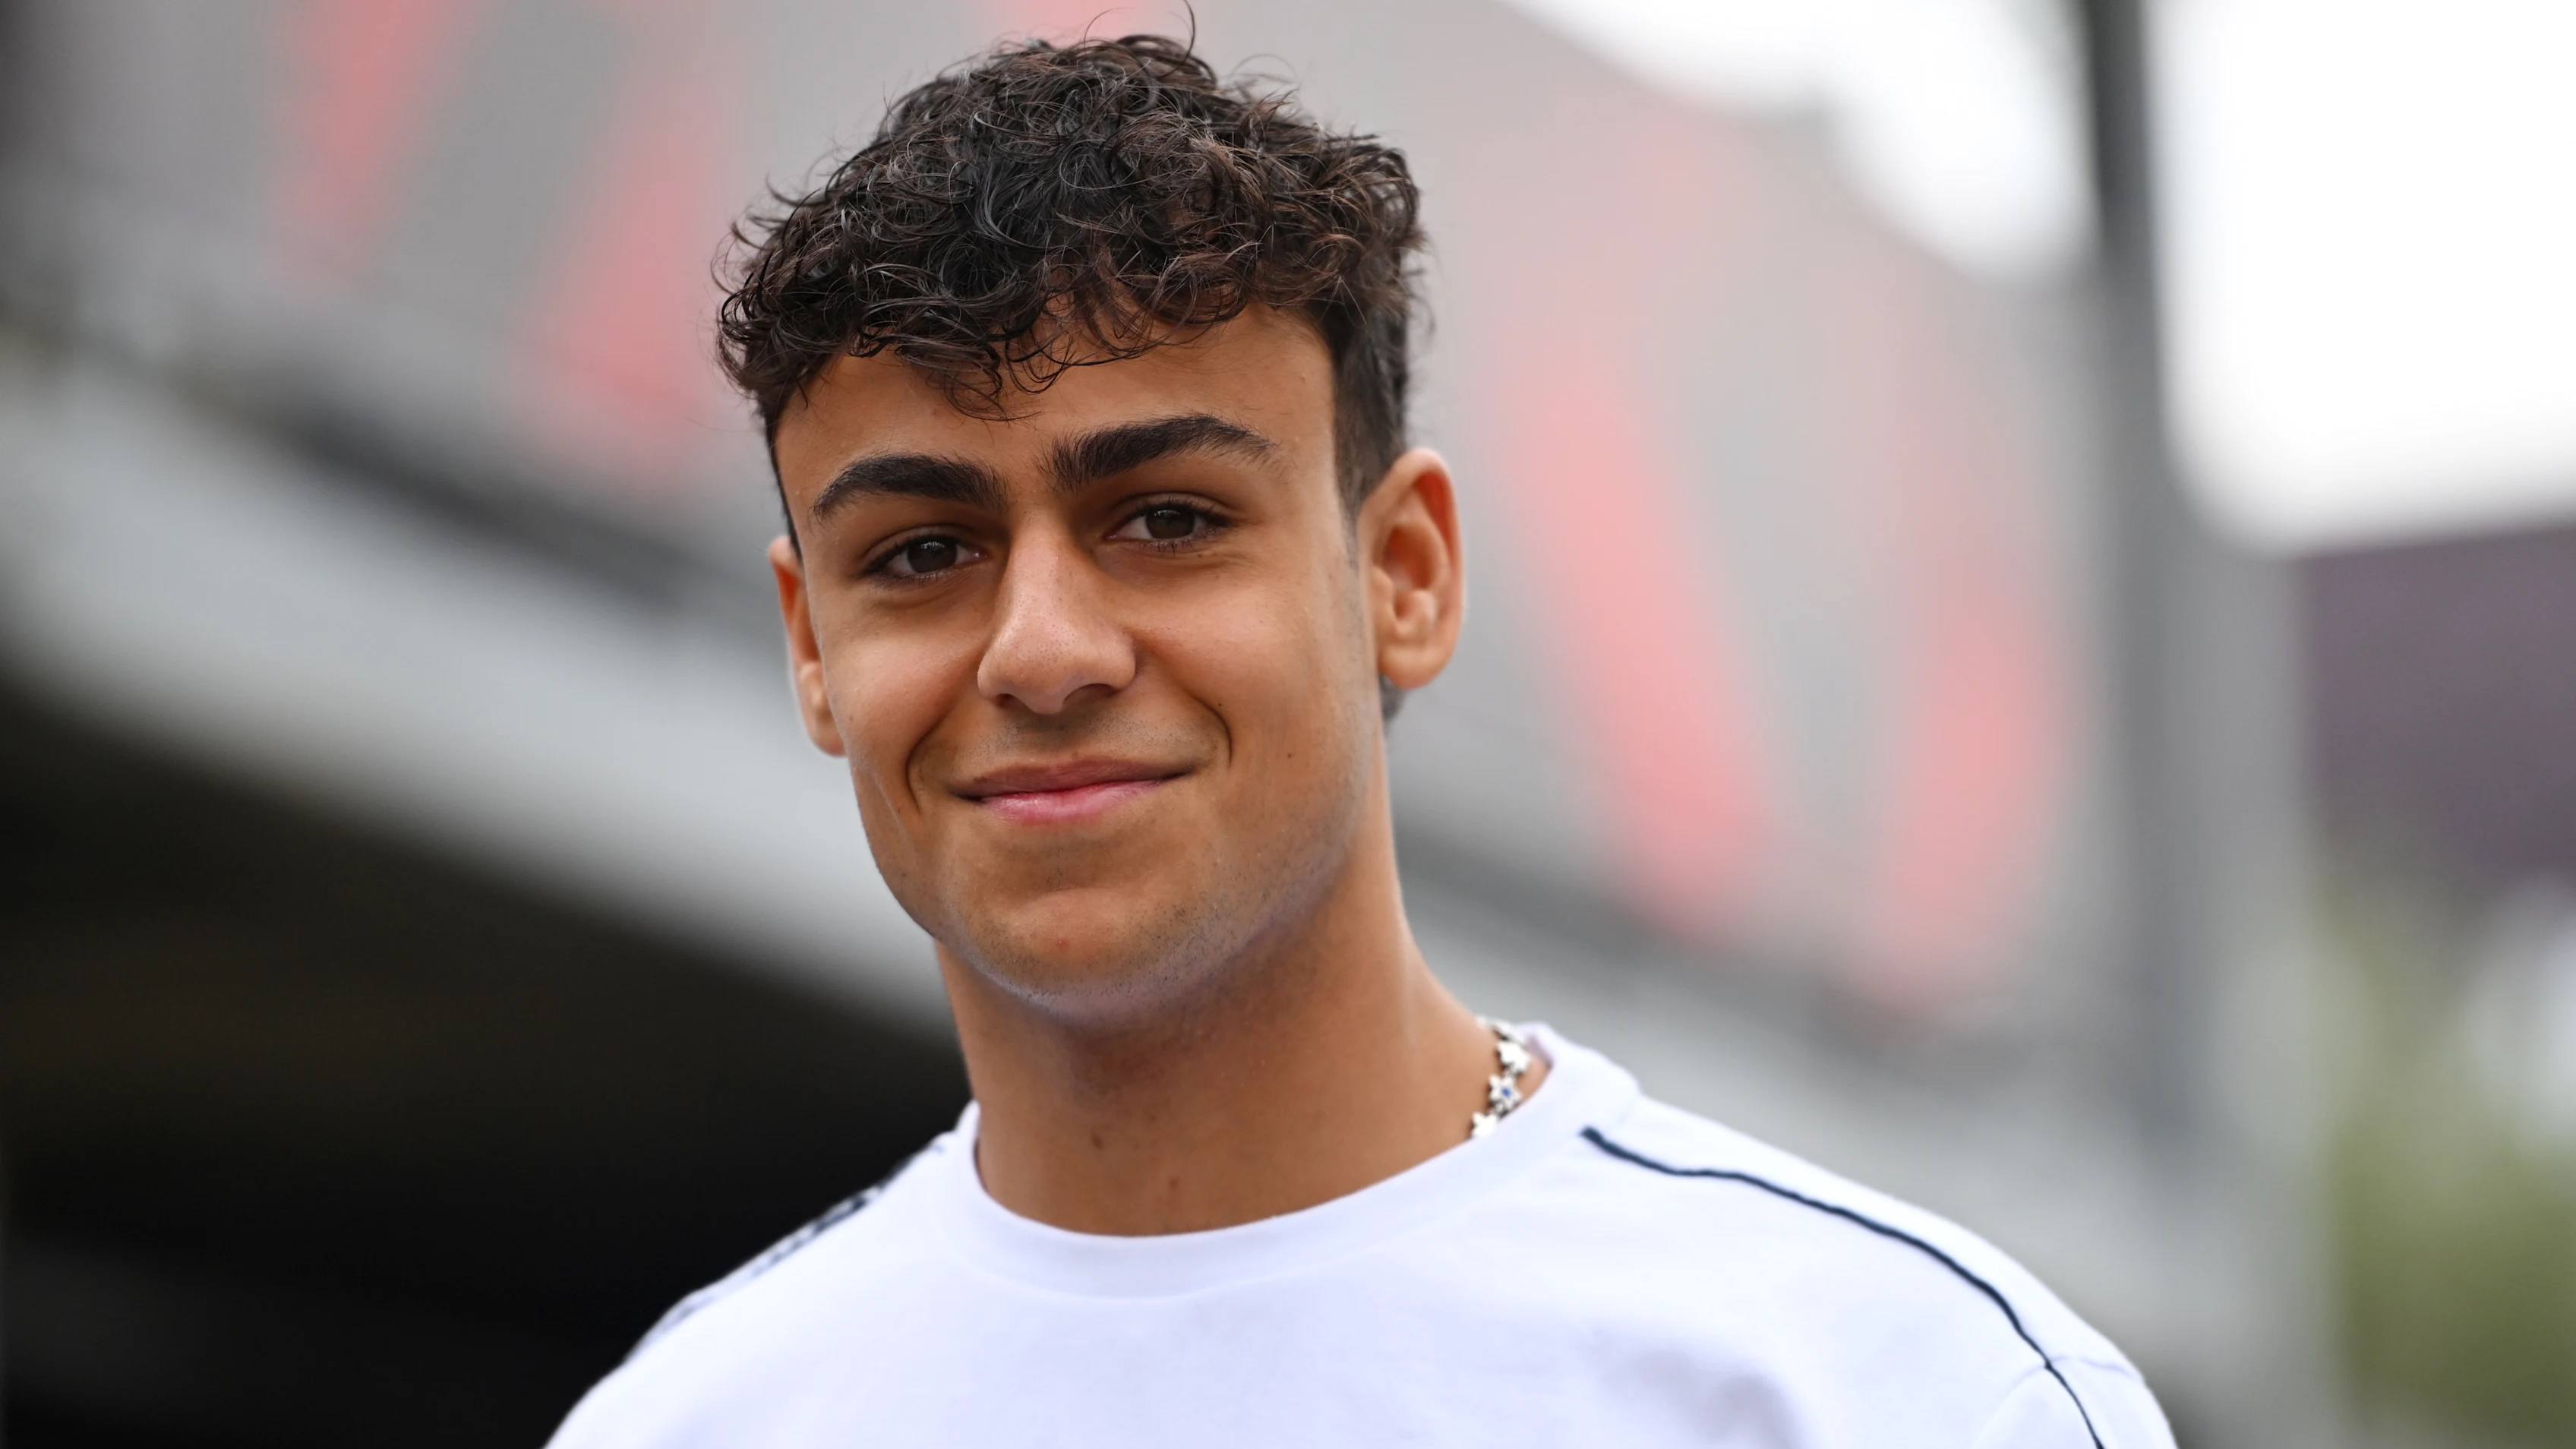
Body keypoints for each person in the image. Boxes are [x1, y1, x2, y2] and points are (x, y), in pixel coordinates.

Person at [547, 33, 2173, 1448]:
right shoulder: (686, 1426)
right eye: (919, 553)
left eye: (1165, 517)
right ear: (810, 648)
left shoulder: (1904, 1399)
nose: (1040, 650)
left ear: (1402, 574)